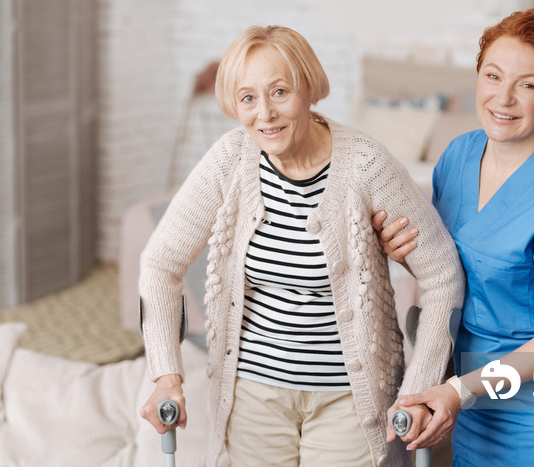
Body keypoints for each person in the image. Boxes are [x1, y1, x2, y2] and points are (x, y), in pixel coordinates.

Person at [138, 25, 465, 466]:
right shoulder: (229, 159)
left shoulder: (366, 166)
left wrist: (419, 387)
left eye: (279, 91)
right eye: (248, 98)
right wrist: (165, 372)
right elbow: (160, 263)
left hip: (349, 400)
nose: (265, 114)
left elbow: (442, 272)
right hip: (251, 396)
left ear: (309, 88)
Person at [374, 9, 534, 466]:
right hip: (475, 407)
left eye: (527, 84)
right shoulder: (460, 154)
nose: (502, 97)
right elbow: (459, 266)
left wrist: (458, 390)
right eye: (492, 76)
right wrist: (406, 254)